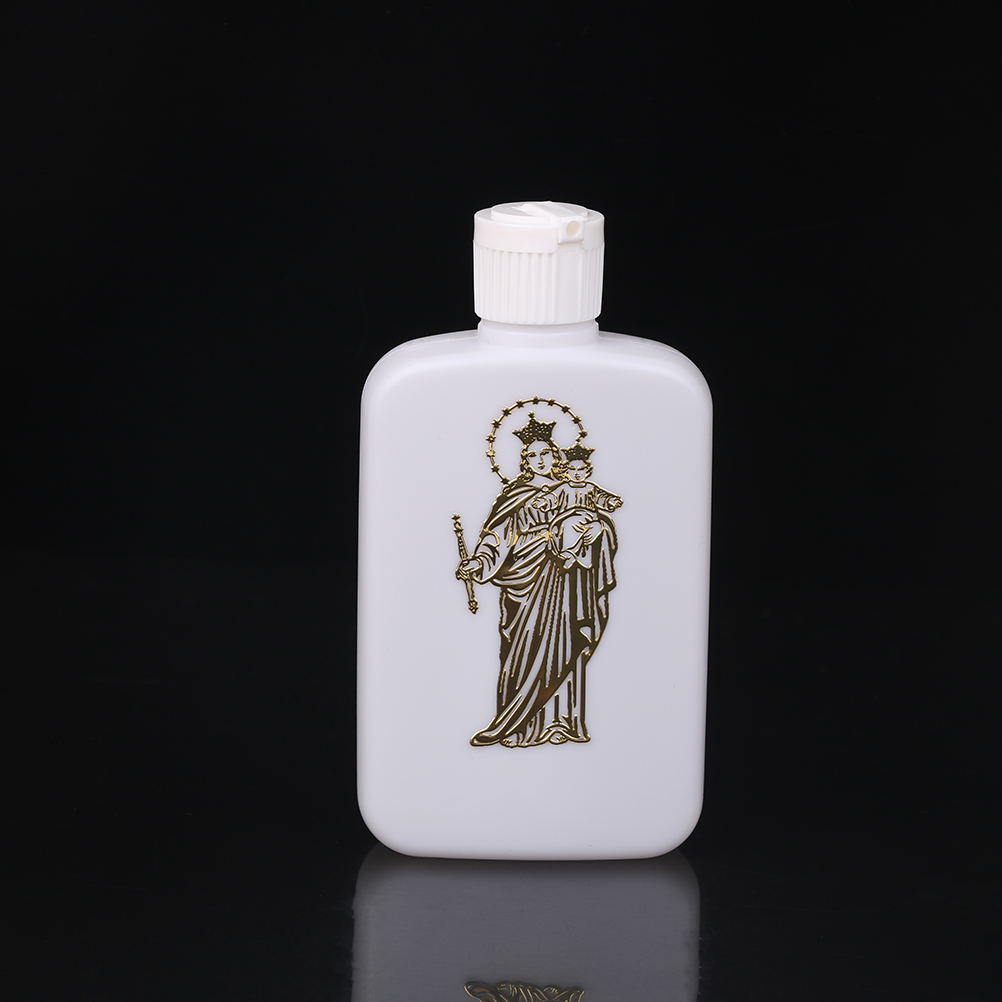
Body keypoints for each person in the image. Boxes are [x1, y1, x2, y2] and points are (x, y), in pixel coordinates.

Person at [457, 415, 621, 748]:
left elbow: (599, 522)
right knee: (524, 650)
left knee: (566, 645)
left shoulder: (571, 489)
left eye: (545, 453)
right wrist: (479, 561)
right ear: (525, 461)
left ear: (556, 455)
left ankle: (561, 723)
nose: (540, 460)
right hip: (526, 583)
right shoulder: (516, 495)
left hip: (565, 582)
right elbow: (498, 537)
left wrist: (597, 530)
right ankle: (516, 726)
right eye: (532, 455)